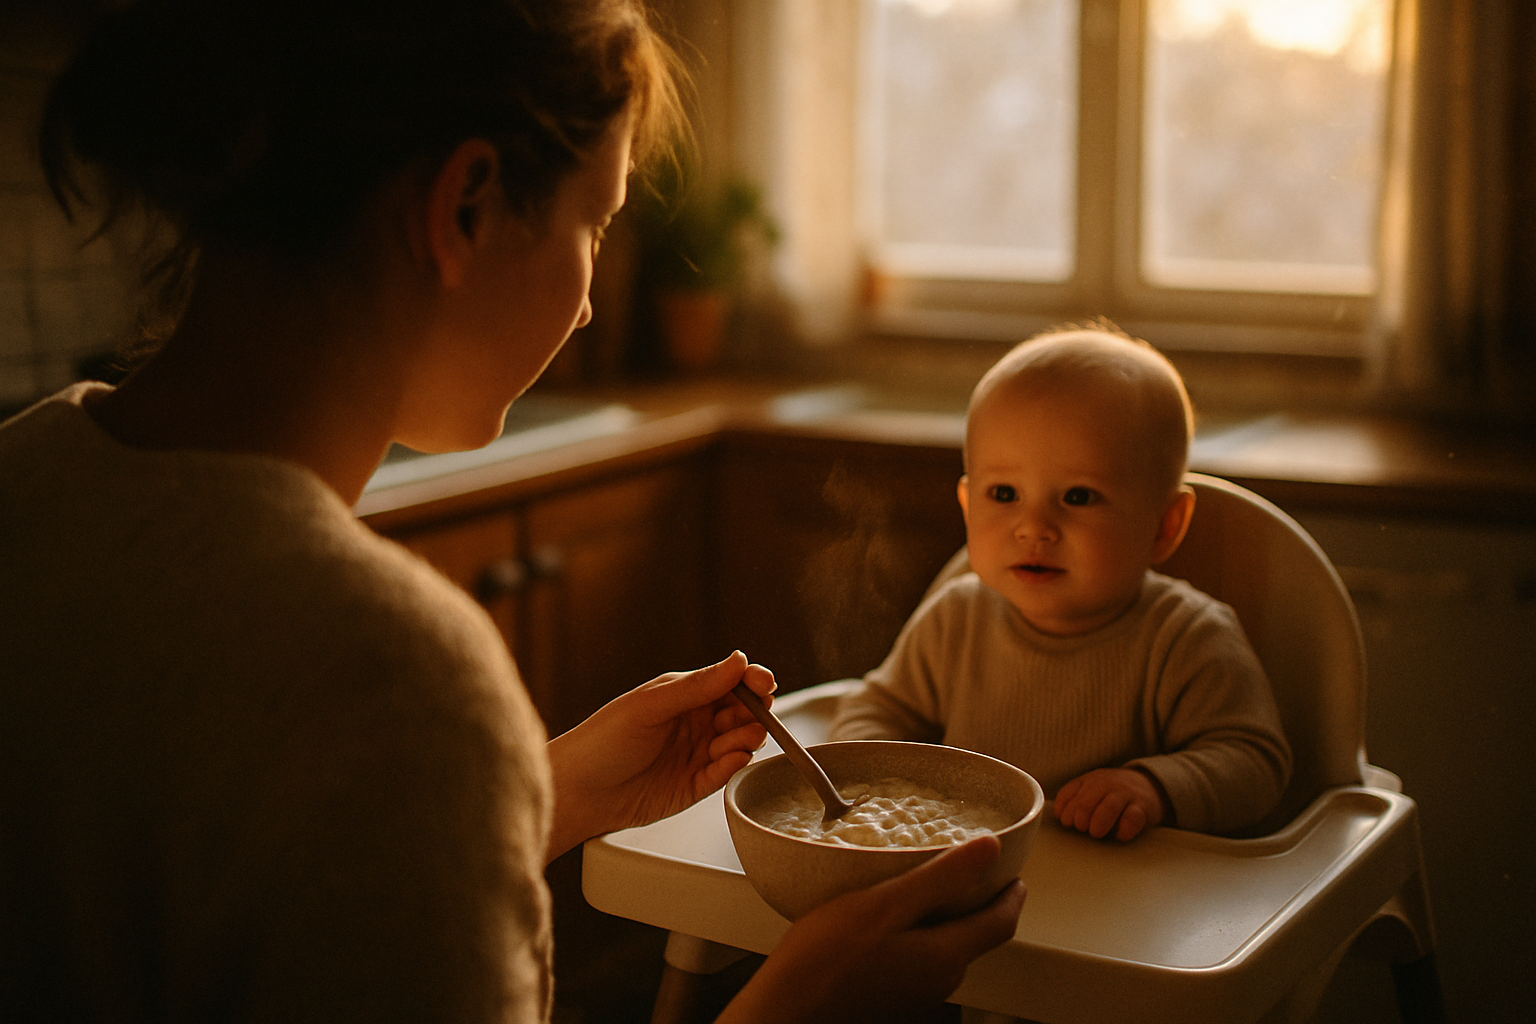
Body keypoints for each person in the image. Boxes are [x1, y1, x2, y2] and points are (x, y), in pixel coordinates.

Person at [0, 1, 1024, 1020]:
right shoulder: (389, 676)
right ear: (466, 208)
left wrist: (552, 788)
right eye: (596, 223)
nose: (588, 304)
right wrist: (800, 1002)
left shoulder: (27, 468)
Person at [829, 326, 1293, 842]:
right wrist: (887, 787)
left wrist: (1153, 788)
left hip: (1118, 885)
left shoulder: (1185, 639)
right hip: (968, 868)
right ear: (967, 505)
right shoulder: (954, 620)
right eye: (1004, 493)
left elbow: (1256, 764)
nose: (1033, 527)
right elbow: (873, 713)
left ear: (1165, 525)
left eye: (1077, 497)